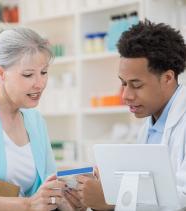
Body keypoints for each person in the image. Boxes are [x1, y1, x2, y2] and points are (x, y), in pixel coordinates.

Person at [0, 23, 82, 211]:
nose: (39, 84)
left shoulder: (35, 121)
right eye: (28, 75)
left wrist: (70, 202)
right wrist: (28, 205)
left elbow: (47, 189)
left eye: (44, 73)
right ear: (1, 73)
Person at [75, 20, 186, 210]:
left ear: (167, 78)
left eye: (136, 85)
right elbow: (148, 190)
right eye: (123, 83)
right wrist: (110, 185)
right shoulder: (150, 126)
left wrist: (113, 201)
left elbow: (180, 200)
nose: (126, 96)